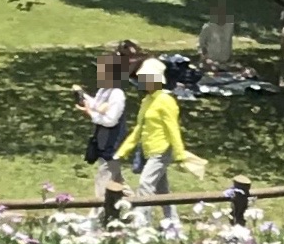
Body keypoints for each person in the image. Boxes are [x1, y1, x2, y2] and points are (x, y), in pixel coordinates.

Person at [124, 58, 201, 195]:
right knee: (162, 189)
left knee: (145, 184)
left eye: (144, 78)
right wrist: (123, 151)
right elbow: (139, 128)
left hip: (161, 151)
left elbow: (173, 129)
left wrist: (179, 154)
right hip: (149, 149)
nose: (141, 81)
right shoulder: (146, 100)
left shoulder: (166, 100)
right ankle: (171, 217)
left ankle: (142, 216)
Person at [79, 41, 138, 183]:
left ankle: (100, 205)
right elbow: (96, 104)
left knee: (104, 181)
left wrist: (90, 114)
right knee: (116, 182)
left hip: (112, 146)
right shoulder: (104, 90)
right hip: (102, 142)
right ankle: (129, 202)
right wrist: (82, 95)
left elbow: (110, 120)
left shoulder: (117, 94)